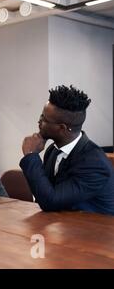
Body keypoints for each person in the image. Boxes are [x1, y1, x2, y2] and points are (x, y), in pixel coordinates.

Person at [20, 85, 114, 215]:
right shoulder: (53, 150)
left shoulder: (94, 163)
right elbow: (45, 194)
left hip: (94, 231)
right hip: (64, 227)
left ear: (63, 128)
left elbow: (50, 201)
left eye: (45, 119)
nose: (39, 121)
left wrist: (31, 155)